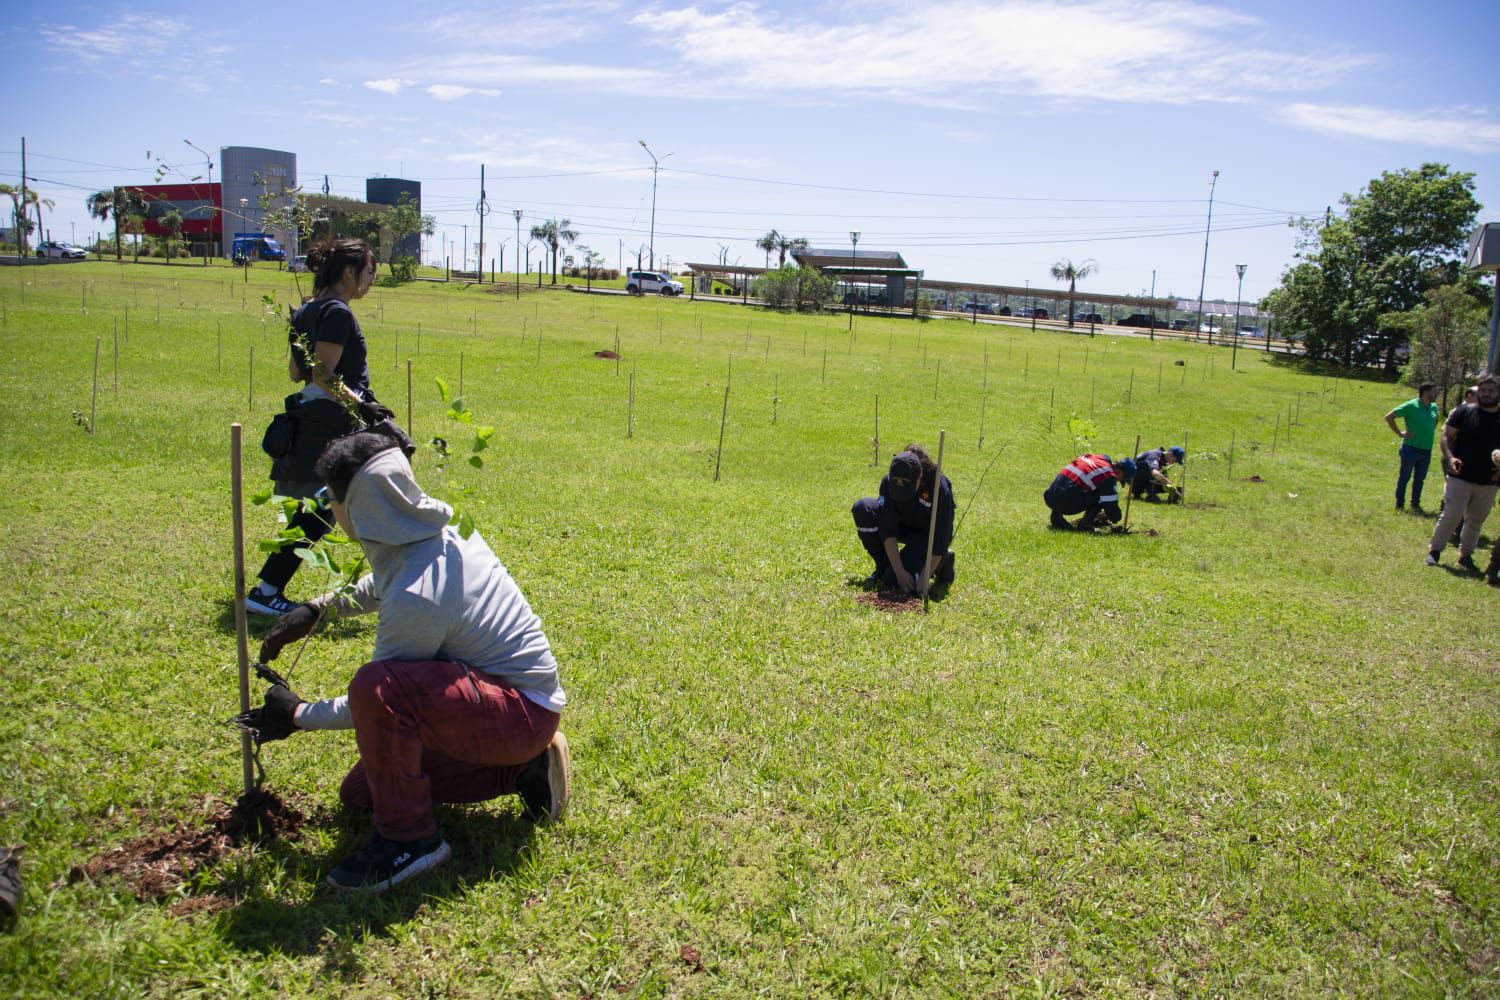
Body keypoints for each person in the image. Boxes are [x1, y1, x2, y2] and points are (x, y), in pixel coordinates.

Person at [237, 432, 571, 892]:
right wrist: (318, 608)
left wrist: (295, 714)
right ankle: (523, 770)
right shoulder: (438, 528)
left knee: (381, 688)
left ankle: (411, 842)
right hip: (495, 702)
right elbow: (384, 580)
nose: (329, 511)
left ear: (360, 507)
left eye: (331, 499)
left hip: (519, 711)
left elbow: (377, 704)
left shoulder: (420, 596)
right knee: (359, 796)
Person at [247, 239, 380, 617]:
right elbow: (322, 374)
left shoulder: (307, 310)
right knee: (323, 509)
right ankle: (266, 590)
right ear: (349, 272)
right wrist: (363, 405)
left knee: (318, 510)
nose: (370, 281)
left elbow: (296, 372)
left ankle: (268, 588)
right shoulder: (337, 313)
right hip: (330, 422)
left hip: (311, 418)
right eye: (369, 272)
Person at [851, 445, 956, 592]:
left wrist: (925, 577)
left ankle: (942, 563)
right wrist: (899, 571)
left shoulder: (938, 487)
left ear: (920, 476)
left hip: (926, 536)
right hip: (902, 527)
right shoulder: (888, 481)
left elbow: (941, 534)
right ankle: (883, 568)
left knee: (894, 582)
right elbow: (887, 526)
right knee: (863, 508)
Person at [1426, 373, 1500, 571]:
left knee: (1475, 521)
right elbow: (1446, 436)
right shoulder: (1464, 412)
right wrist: (1450, 458)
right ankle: (1434, 551)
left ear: (1498, 392)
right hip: (1460, 475)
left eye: (1491, 390)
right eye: (1483, 390)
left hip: (1489, 481)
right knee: (1451, 514)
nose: (1486, 394)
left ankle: (1465, 555)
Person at [1384, 382, 1440, 511]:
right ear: (1426, 392)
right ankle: (1400, 504)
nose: (1436, 394)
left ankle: (1415, 504)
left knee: (1420, 479)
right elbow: (1389, 417)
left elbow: (1435, 421)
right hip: (1411, 449)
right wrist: (1399, 433)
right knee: (1405, 477)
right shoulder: (1411, 405)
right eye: (1434, 391)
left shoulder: (1434, 407)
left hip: (1426, 450)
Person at [1045, 454, 1135, 531]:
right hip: (1065, 502)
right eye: (1120, 480)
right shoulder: (1107, 475)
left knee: (1074, 487)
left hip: (1049, 496)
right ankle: (1085, 525)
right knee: (1102, 496)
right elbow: (1112, 508)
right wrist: (1116, 516)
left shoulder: (1092, 457)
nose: (1117, 481)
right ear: (1119, 472)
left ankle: (1056, 515)